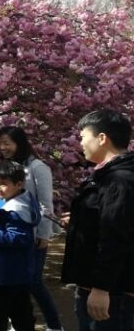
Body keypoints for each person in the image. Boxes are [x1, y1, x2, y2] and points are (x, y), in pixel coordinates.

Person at [62, 109, 134, 331]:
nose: (80, 143)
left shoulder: (119, 180)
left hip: (113, 292)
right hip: (102, 287)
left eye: (83, 136)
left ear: (102, 138)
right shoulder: (108, 176)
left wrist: (102, 288)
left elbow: (115, 236)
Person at [0, 126, 63, 331]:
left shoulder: (37, 167)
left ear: (20, 143)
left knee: (33, 282)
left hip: (32, 236)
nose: (3, 147)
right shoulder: (6, 166)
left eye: (7, 142)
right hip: (11, 234)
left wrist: (44, 233)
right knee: (14, 281)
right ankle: (16, 323)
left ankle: (54, 325)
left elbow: (45, 203)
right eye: (0, 143)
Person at [0, 160, 41, 331]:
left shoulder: (16, 208)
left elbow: (18, 238)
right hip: (13, 272)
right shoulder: (14, 197)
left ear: (18, 184)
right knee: (20, 313)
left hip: (7, 273)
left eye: (3, 184)